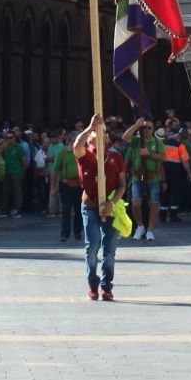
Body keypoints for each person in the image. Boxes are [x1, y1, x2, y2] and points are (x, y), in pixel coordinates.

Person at [74, 115, 128, 300]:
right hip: (90, 205)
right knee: (92, 246)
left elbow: (122, 184)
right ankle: (92, 284)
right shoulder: (86, 155)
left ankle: (107, 287)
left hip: (110, 207)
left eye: (101, 133)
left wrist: (112, 203)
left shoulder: (116, 157)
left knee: (109, 249)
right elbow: (76, 147)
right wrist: (89, 127)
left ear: (107, 138)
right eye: (94, 134)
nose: (98, 135)